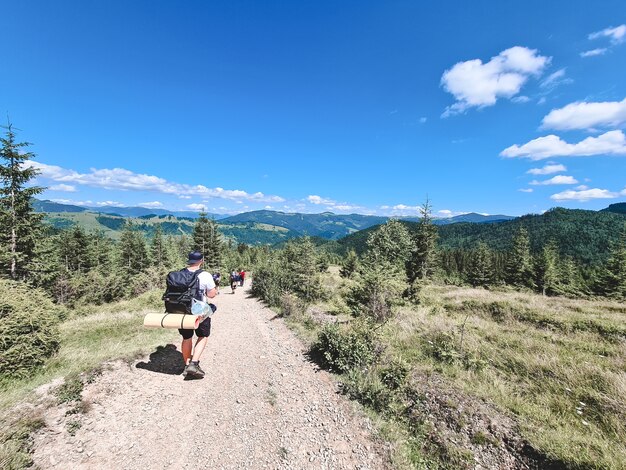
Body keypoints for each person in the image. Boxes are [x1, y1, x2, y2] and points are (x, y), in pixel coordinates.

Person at [179, 251, 217, 379]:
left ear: (189, 260)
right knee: (203, 335)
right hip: (199, 310)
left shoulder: (180, 273)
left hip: (182, 311)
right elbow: (211, 294)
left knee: (186, 337)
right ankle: (194, 363)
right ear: (201, 261)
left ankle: (186, 364)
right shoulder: (205, 275)